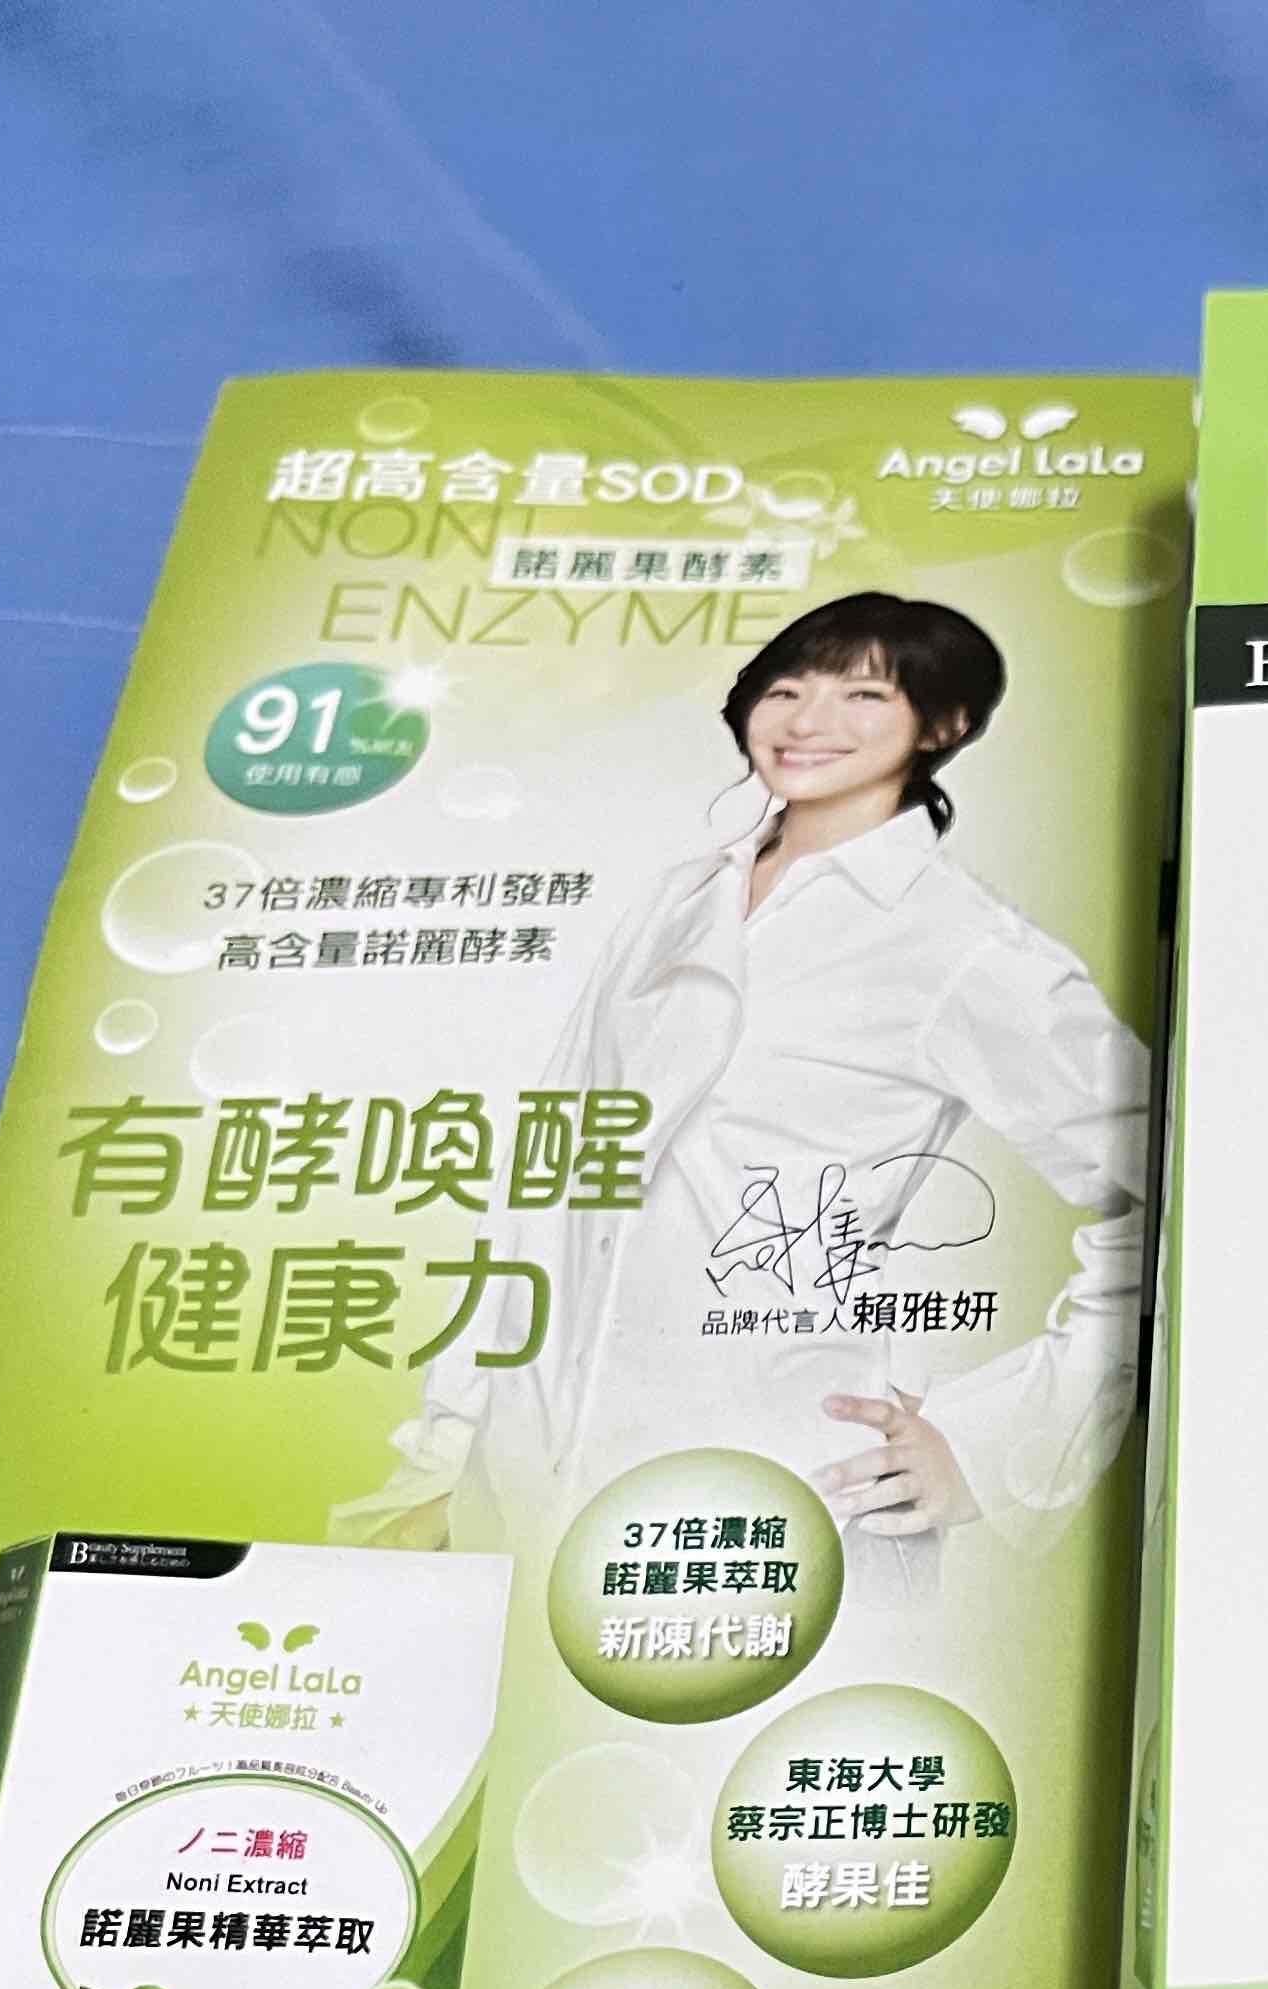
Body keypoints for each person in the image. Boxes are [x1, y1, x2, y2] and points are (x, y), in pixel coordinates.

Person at [333, 591, 1147, 1590]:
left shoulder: (964, 947)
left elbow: (1182, 1189)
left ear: (943, 725)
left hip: (781, 1500)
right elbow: (551, 1167)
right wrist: (446, 1443)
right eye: (787, 688)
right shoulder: (682, 894)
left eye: (863, 695)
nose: (808, 721)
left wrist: (987, 1446)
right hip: (532, 1471)